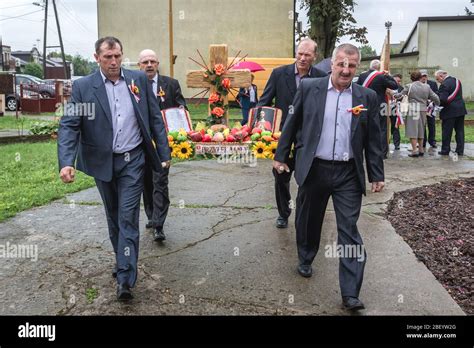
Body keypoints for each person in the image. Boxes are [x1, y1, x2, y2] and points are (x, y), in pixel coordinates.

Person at [273, 43, 385, 311]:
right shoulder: (310, 88)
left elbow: (373, 139)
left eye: (352, 65)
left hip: (348, 173)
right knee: (309, 220)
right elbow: (292, 121)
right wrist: (280, 156)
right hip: (315, 168)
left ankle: (350, 293)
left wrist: (376, 173)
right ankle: (306, 257)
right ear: (331, 63)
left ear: (357, 67)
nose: (346, 70)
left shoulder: (366, 97)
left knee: (349, 230)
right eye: (341, 64)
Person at [58, 37, 170, 301]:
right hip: (103, 163)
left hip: (133, 160)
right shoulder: (84, 87)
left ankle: (125, 278)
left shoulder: (137, 81)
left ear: (122, 55)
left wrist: (164, 154)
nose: (113, 62)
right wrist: (66, 162)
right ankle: (123, 257)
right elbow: (70, 124)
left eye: (117, 56)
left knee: (128, 217)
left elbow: (154, 118)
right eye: (108, 57)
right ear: (97, 57)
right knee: (114, 216)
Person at [258, 38, 327, 229]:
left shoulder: (321, 77)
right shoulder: (279, 74)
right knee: (280, 177)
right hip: (283, 137)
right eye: (300, 54)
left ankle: (305, 214)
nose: (303, 58)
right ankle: (283, 212)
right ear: (296, 53)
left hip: (309, 139)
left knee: (307, 179)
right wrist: (259, 123)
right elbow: (264, 102)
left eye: (307, 55)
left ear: (314, 56)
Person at [138, 49, 187, 242]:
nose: (149, 65)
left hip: (164, 143)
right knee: (146, 182)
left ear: (158, 64)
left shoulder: (171, 84)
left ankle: (159, 224)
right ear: (139, 65)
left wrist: (182, 113)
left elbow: (181, 106)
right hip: (140, 142)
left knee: (160, 182)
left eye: (152, 61)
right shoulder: (133, 85)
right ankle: (151, 215)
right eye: (145, 62)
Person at [356, 59, 398, 158]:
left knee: (364, 128)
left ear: (370, 66)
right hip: (381, 106)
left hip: (365, 105)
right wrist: (388, 75)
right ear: (379, 68)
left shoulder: (362, 75)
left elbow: (356, 88)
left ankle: (363, 152)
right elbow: (395, 86)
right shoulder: (382, 76)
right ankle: (382, 153)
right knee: (382, 129)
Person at [395, 71, 440, 157]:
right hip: (423, 110)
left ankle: (415, 150)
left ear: (411, 78)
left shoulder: (409, 86)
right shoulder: (427, 86)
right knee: (421, 129)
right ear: (420, 77)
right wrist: (437, 104)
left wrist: (393, 95)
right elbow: (435, 97)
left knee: (412, 129)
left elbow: (400, 96)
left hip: (412, 109)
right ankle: (421, 149)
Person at [435, 70, 467, 156]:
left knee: (447, 132)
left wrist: (435, 103)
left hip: (449, 111)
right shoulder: (457, 81)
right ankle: (460, 151)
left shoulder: (444, 84)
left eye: (438, 79)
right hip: (460, 109)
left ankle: (445, 150)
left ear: (441, 76)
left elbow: (443, 100)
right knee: (460, 131)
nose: (438, 81)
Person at [420, 69, 439, 150]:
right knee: (422, 125)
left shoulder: (433, 83)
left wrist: (431, 101)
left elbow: (436, 93)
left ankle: (432, 141)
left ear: (427, 76)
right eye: (422, 76)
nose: (424, 78)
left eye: (425, 76)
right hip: (421, 107)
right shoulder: (417, 84)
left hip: (430, 107)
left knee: (431, 125)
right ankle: (422, 142)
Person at [387, 73, 403, 150]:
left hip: (394, 108)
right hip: (385, 107)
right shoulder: (386, 86)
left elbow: (402, 98)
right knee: (384, 126)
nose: (398, 83)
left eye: (399, 81)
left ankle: (397, 144)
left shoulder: (401, 88)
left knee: (395, 126)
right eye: (396, 81)